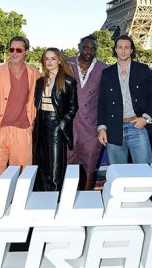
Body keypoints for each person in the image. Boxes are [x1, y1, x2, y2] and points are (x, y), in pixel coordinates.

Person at [0, 36, 41, 191]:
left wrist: (31, 127)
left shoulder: (34, 74)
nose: (14, 53)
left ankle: (18, 210)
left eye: (18, 50)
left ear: (26, 52)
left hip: (22, 131)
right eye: (11, 49)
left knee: (23, 178)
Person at [97, 35, 152, 165]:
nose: (123, 51)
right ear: (115, 50)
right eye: (120, 47)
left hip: (137, 126)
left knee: (145, 173)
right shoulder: (107, 73)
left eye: (126, 47)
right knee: (119, 173)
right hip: (114, 129)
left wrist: (145, 118)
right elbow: (102, 103)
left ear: (132, 50)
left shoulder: (143, 70)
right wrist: (101, 128)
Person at [33, 48, 78, 191]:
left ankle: (55, 199)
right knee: (42, 165)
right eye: (46, 58)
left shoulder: (68, 81)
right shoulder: (40, 81)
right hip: (40, 125)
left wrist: (62, 123)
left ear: (59, 60)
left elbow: (73, 106)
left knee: (55, 167)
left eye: (53, 58)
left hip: (56, 125)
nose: (49, 62)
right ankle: (43, 198)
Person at [66, 35, 108, 189]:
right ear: (79, 46)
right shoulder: (66, 63)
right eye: (86, 47)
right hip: (70, 123)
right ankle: (67, 195)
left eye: (93, 48)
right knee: (68, 161)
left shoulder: (104, 68)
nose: (89, 51)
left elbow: (107, 98)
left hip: (91, 125)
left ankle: (87, 196)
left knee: (90, 163)